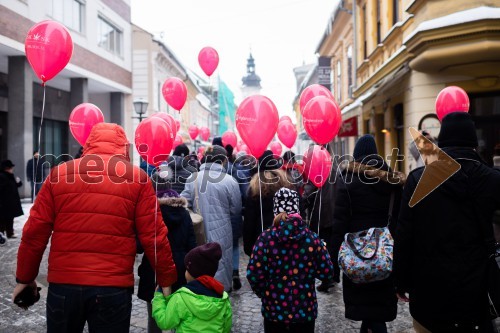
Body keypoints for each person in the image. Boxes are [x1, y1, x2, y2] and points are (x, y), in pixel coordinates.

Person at [13, 123, 177, 333]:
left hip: (64, 285)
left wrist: (25, 278)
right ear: (123, 147)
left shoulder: (59, 174)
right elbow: (155, 236)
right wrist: (166, 279)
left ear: (88, 144)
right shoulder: (138, 179)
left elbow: (34, 232)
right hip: (113, 287)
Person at [394, 112, 500, 332]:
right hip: (476, 294)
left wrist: (400, 280)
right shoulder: (492, 179)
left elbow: (404, 234)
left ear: (442, 142)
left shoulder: (418, 180)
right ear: (473, 141)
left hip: (429, 294)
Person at [331, 134, 405, 333]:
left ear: (357, 157)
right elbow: (400, 225)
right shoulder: (393, 184)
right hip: (385, 257)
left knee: (368, 314)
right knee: (376, 314)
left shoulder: (347, 181)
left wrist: (332, 264)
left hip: (356, 257)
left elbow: (339, 225)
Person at [246, 188, 334, 333]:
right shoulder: (311, 238)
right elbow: (327, 272)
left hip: (274, 310)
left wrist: (266, 294)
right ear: (297, 208)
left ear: (275, 209)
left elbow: (254, 274)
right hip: (304, 310)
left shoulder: (265, 239)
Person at [138, 169, 197, 333]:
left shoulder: (150, 213)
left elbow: (140, 245)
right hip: (180, 268)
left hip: (154, 267)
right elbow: (192, 244)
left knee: (155, 316)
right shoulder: (184, 213)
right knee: (179, 314)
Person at [181, 145, 242, 291]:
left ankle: (200, 289)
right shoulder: (230, 181)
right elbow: (236, 209)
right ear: (222, 161)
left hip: (199, 229)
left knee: (200, 260)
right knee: (221, 260)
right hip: (223, 230)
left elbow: (184, 202)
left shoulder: (193, 178)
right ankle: (221, 290)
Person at [152, 242, 232, 332]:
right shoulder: (223, 298)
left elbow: (165, 322)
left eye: (187, 269)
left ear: (193, 273)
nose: (185, 271)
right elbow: (226, 327)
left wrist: (158, 297)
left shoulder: (181, 297)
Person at [243, 150, 294, 256]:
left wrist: (248, 247)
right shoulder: (288, 184)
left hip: (262, 242)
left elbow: (249, 221)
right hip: (287, 237)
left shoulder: (254, 189)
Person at [0, 160, 23, 239]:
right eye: (11, 167)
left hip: (11, 201)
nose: (12, 169)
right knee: (3, 219)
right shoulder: (2, 176)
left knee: (10, 218)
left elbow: (15, 185)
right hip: (4, 202)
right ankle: (2, 234)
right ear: (6, 168)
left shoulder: (10, 175)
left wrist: (19, 182)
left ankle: (10, 233)